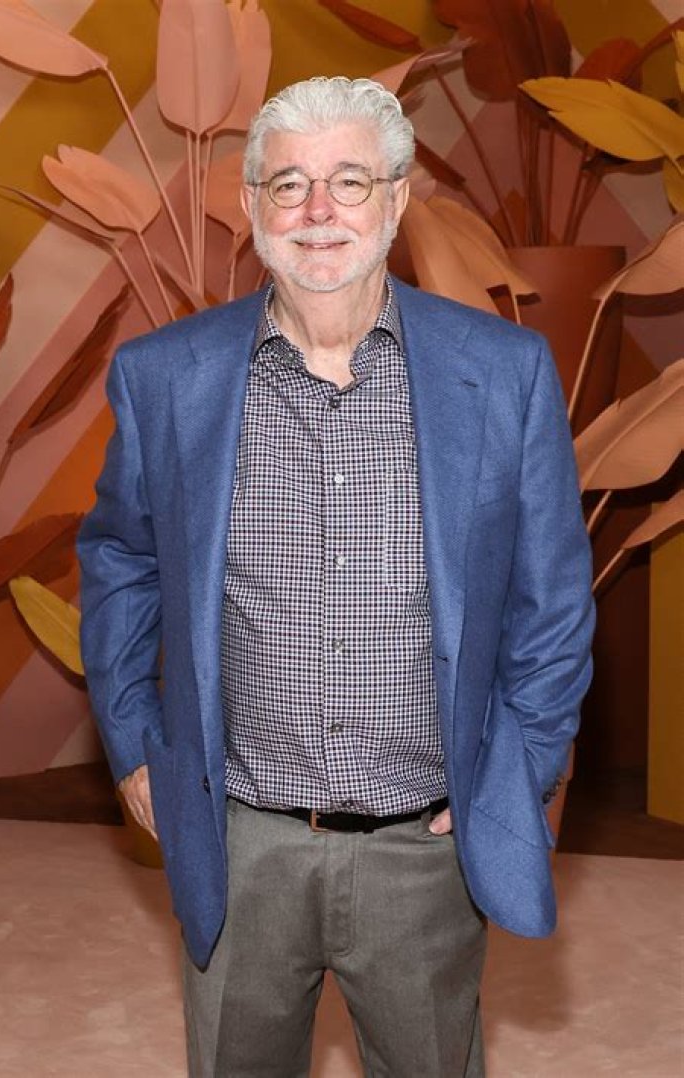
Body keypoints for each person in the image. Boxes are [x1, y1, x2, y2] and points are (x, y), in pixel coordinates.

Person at [78, 76, 595, 1077]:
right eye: (290, 184)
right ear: (253, 204)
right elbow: (120, 559)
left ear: (396, 199)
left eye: (350, 180)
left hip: (424, 847)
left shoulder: (505, 373)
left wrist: (518, 766)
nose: (319, 210)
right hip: (239, 841)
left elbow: (553, 602)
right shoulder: (165, 377)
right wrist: (136, 742)